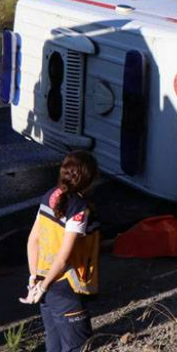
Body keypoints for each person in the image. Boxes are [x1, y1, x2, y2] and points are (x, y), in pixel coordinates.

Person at [20, 151, 100, 352]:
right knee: (78, 346)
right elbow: (64, 258)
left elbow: (33, 240)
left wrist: (35, 280)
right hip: (65, 286)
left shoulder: (50, 195)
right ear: (90, 180)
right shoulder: (79, 209)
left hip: (43, 282)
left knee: (53, 343)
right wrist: (44, 286)